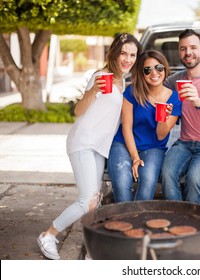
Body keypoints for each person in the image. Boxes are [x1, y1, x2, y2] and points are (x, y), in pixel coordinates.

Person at [37, 33, 142, 260]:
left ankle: (93, 247)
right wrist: (93, 90)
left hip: (98, 147)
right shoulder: (100, 75)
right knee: (86, 199)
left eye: (132, 55)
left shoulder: (122, 80)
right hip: (83, 142)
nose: (128, 59)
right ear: (114, 52)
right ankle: (49, 234)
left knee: (94, 201)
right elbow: (78, 111)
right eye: (123, 53)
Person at [161, 29, 200, 204]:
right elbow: (153, 88)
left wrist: (198, 101)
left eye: (193, 47)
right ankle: (177, 222)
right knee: (166, 174)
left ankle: (192, 225)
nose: (188, 52)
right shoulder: (175, 80)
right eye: (183, 48)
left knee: (194, 178)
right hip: (184, 143)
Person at [107, 50, 181, 202]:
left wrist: (163, 117)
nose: (154, 73)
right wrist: (135, 158)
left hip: (154, 147)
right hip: (124, 144)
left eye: (158, 68)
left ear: (165, 69)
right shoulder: (132, 92)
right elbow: (126, 127)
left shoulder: (175, 99)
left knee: (147, 183)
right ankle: (125, 222)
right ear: (142, 73)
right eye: (147, 70)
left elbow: (161, 135)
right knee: (122, 184)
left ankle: (136, 222)